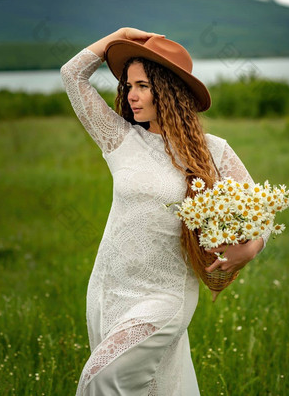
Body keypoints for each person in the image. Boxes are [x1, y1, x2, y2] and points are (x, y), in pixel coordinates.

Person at [60, 27, 270, 396]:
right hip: (109, 290)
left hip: (166, 295)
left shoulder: (213, 151)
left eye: (142, 85)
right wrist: (118, 37)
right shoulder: (120, 138)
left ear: (169, 89)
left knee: (100, 379)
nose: (131, 95)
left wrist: (251, 247)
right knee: (159, 386)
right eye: (127, 85)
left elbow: (261, 211)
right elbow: (72, 74)